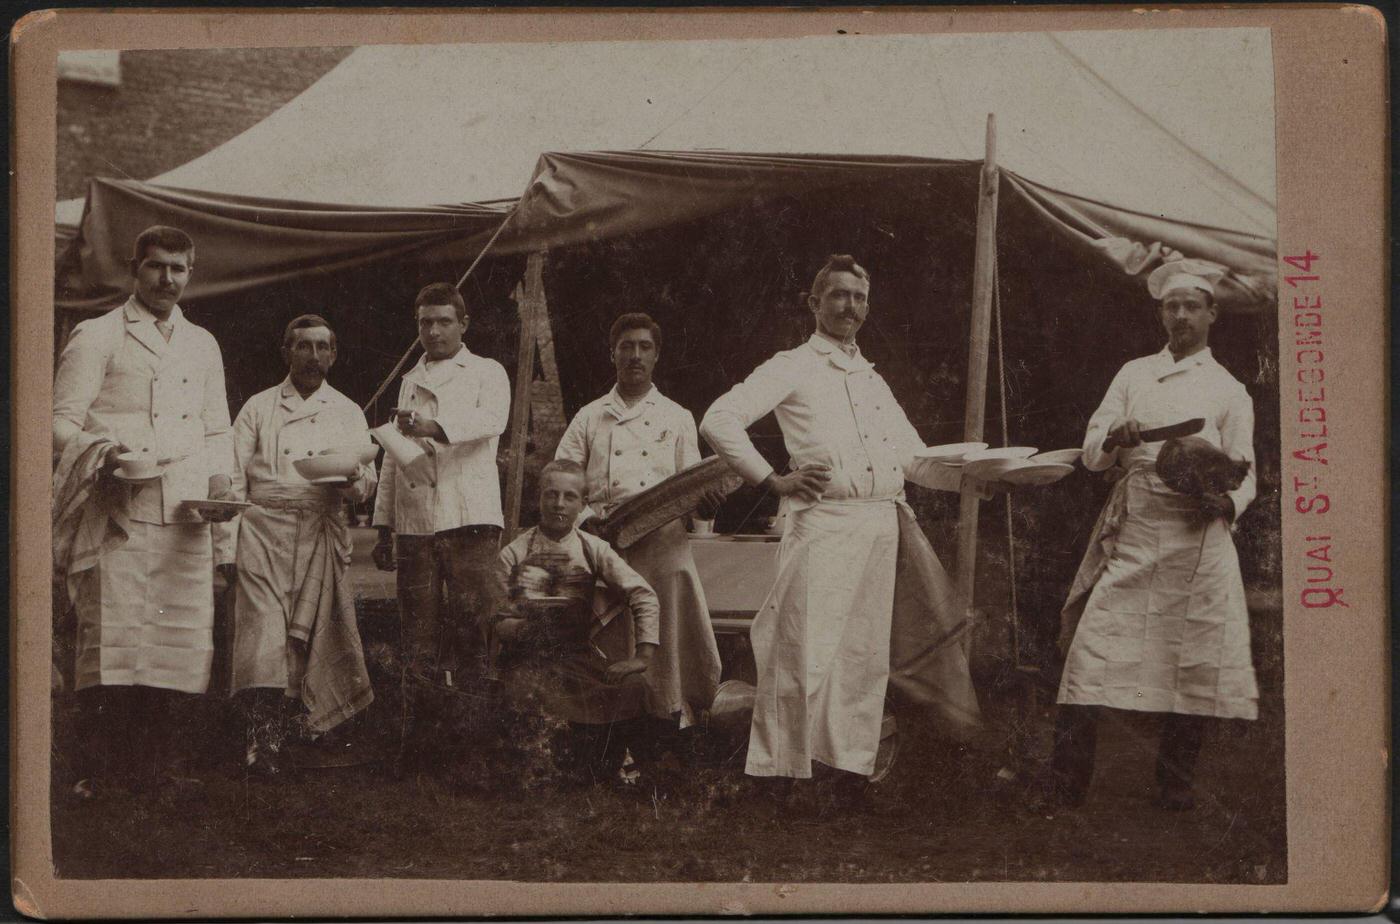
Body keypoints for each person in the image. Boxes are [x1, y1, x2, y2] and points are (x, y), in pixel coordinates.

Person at [700, 254, 991, 805]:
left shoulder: (872, 379)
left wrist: (977, 482)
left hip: (880, 526)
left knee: (859, 660)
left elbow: (915, 459)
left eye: (858, 297)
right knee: (804, 652)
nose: (849, 307)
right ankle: (781, 776)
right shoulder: (792, 365)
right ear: (814, 303)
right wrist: (774, 481)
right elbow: (719, 419)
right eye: (837, 295)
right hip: (824, 525)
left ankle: (845, 774)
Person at [1047, 259, 1258, 811]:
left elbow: (1246, 469)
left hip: (1198, 533)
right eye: (1172, 306)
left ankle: (1176, 785)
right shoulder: (1134, 373)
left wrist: (1227, 500)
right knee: (1092, 651)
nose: (1181, 316)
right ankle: (1066, 783)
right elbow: (1094, 455)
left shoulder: (1229, 390)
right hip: (1138, 525)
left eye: (1192, 306)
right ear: (1161, 313)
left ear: (1212, 314)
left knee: (1194, 655)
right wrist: (1116, 436)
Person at [52, 225, 236, 796]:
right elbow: (59, 423)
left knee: (176, 646)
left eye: (178, 268)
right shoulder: (100, 334)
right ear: (135, 270)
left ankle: (160, 771)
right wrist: (103, 454)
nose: (167, 279)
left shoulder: (202, 343)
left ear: (190, 272)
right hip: (118, 514)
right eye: (156, 267)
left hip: (185, 516)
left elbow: (216, 429)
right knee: (113, 643)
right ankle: (100, 772)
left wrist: (222, 481)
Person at [555, 312, 723, 734]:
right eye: (626, 346)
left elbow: (691, 492)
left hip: (664, 546)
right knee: (609, 642)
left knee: (665, 636)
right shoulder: (589, 417)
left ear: (657, 356)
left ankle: (668, 722)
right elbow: (563, 478)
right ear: (612, 353)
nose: (634, 355)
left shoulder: (677, 416)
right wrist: (590, 521)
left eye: (644, 347)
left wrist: (706, 505)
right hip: (604, 543)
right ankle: (605, 729)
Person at [227, 314, 378, 776]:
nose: (312, 357)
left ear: (332, 354)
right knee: (262, 633)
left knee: (312, 633)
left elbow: (366, 480)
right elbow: (233, 475)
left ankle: (305, 732)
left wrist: (354, 484)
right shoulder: (258, 407)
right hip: (262, 529)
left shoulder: (348, 410)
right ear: (286, 352)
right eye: (302, 347)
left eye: (321, 348)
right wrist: (224, 543)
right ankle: (261, 742)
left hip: (319, 528)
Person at [371, 283, 511, 758]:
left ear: (463, 324)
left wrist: (432, 426)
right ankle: (422, 745)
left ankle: (474, 744)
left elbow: (493, 420)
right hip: (415, 523)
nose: (434, 331)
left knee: (475, 627)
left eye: (444, 321)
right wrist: (384, 524)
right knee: (418, 634)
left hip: (468, 516)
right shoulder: (408, 381)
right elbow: (392, 459)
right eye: (425, 322)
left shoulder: (487, 372)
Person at [489, 459, 660, 784]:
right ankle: (541, 771)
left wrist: (643, 656)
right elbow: (498, 620)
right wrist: (527, 628)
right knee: (527, 689)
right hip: (528, 657)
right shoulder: (514, 553)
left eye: (569, 497)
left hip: (578, 656)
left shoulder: (593, 548)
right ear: (538, 498)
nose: (558, 504)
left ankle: (614, 766)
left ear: (583, 504)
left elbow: (643, 594)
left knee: (632, 685)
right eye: (551, 495)